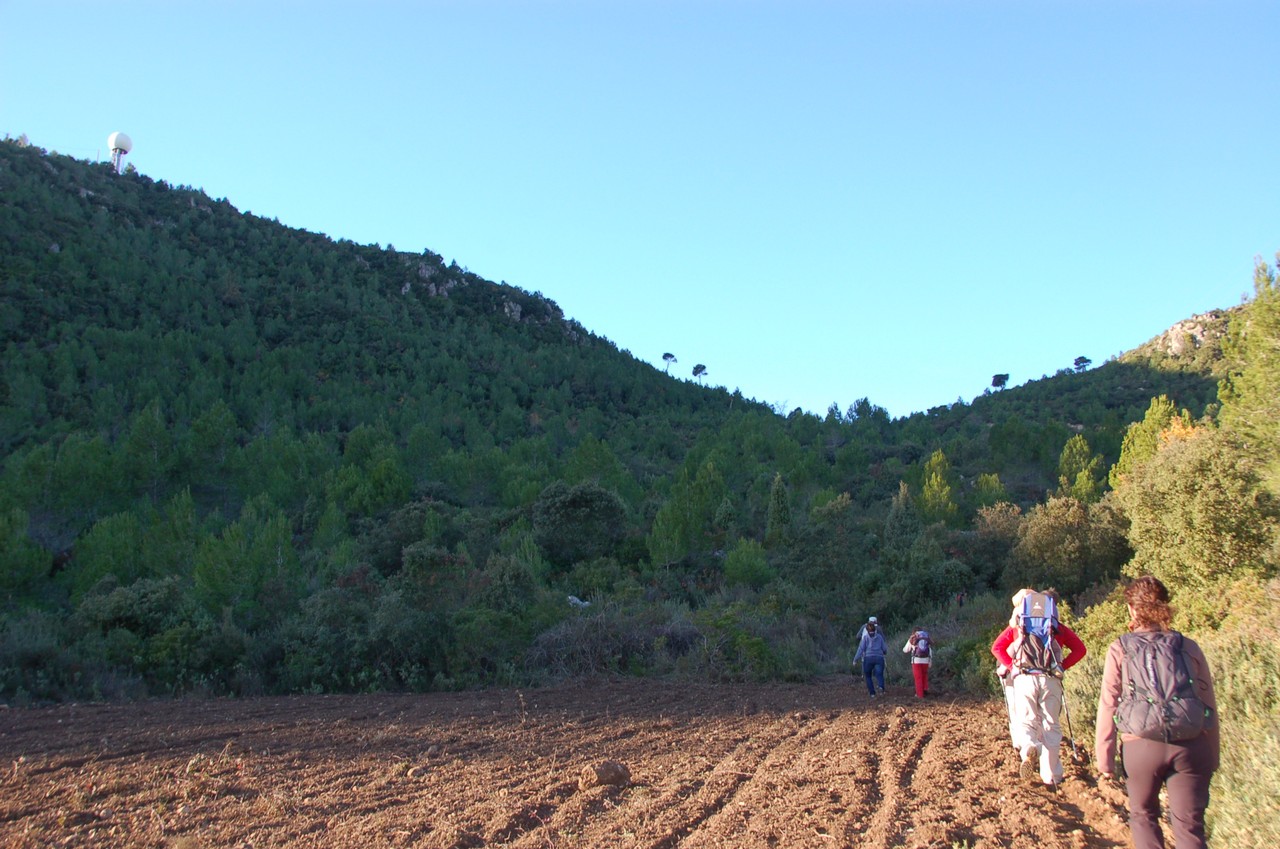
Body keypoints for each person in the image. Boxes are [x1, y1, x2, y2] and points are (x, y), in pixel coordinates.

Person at [1095, 576, 1219, 849]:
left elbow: (1108, 703)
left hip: (1140, 747)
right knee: (1190, 827)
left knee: (1143, 816)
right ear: (1165, 605)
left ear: (1132, 609)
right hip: (1190, 745)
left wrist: (1105, 758)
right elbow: (1208, 703)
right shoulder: (1188, 646)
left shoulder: (1120, 648)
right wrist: (1212, 754)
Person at [991, 588, 1087, 788]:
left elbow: (997, 648)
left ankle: (1029, 748)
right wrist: (1062, 666)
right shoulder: (1057, 628)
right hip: (1050, 680)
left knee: (1027, 722)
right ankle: (1051, 776)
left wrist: (1012, 667)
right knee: (1051, 726)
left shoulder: (1020, 626)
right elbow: (1080, 650)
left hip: (1024, 679)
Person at [852, 616, 887, 698]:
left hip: (868, 658)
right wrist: (884, 652)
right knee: (879, 674)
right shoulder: (879, 637)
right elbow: (884, 648)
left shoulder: (865, 638)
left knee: (868, 676)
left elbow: (861, 649)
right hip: (879, 657)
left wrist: (855, 659)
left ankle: (872, 693)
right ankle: (881, 687)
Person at [903, 627, 932, 698]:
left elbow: (905, 650)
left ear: (914, 632)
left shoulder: (913, 637)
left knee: (918, 677)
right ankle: (925, 690)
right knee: (924, 675)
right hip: (926, 660)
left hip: (916, 660)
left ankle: (919, 695)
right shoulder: (926, 637)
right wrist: (930, 660)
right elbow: (929, 650)